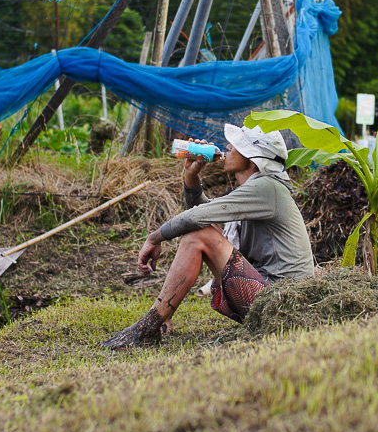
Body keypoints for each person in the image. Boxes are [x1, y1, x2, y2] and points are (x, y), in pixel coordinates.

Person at [102, 123, 315, 349]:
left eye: (237, 145)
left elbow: (198, 219)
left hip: (281, 306)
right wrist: (191, 175)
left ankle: (147, 328)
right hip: (272, 299)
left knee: (200, 235)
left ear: (253, 159)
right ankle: (153, 325)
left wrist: (154, 238)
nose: (228, 147)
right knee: (201, 233)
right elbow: (204, 216)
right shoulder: (259, 188)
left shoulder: (267, 187)